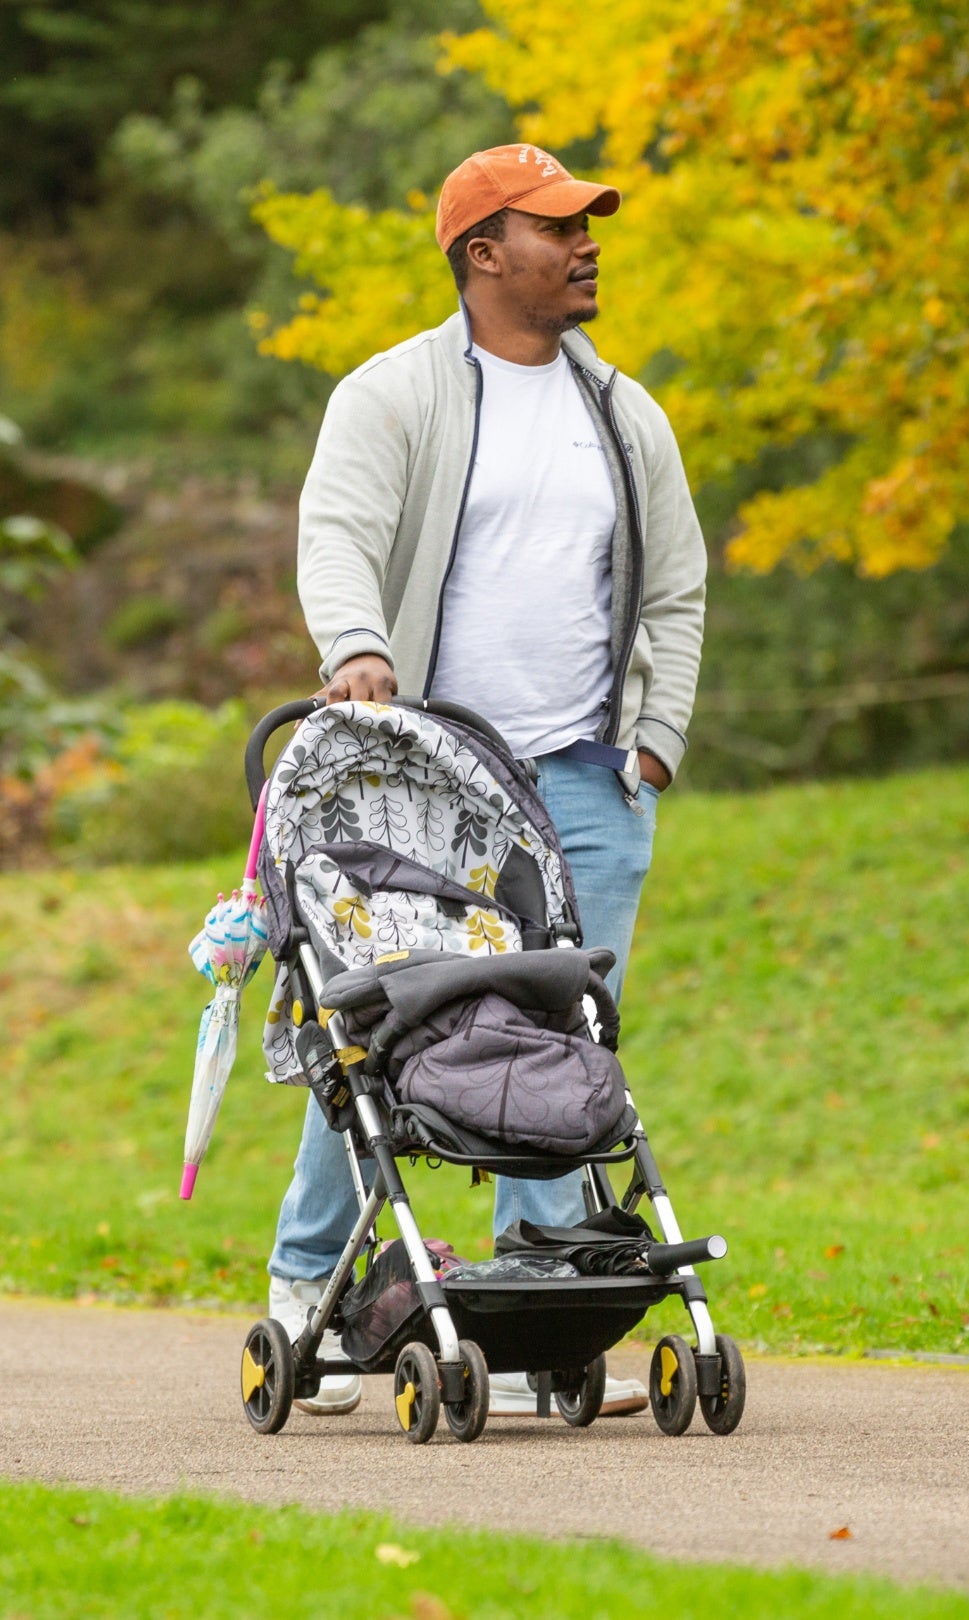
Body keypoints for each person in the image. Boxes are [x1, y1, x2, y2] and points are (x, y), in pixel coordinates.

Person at [270, 143, 709, 1418]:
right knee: (383, 1038)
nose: (586, 245)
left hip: (582, 777)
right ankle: (312, 1287)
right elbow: (338, 535)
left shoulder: (625, 411)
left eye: (588, 225)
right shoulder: (392, 395)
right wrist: (357, 649)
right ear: (482, 253)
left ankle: (527, 1315)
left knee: (560, 1044)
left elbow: (675, 586)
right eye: (557, 226)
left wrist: (655, 739)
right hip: (427, 787)